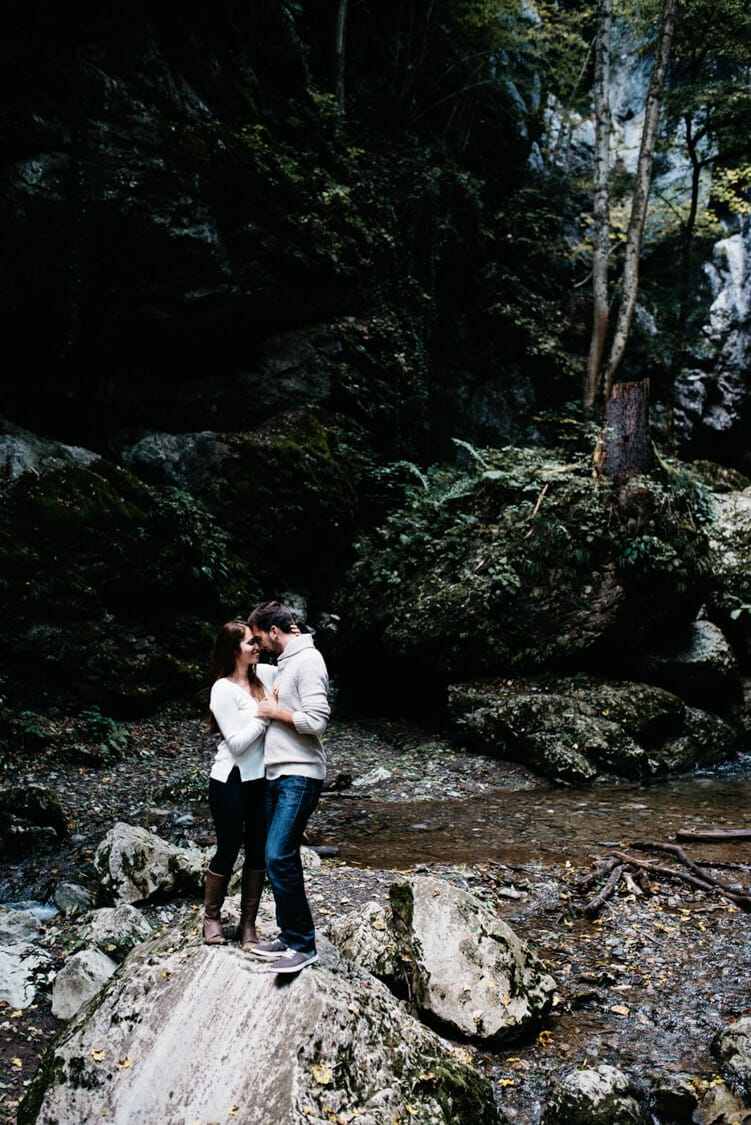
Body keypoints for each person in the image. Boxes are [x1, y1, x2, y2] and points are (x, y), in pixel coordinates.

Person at [246, 600, 330, 974]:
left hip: (301, 773)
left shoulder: (309, 661)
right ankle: (289, 934)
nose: (259, 644)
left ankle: (303, 944)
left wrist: (272, 711)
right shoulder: (286, 664)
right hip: (278, 773)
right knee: (278, 855)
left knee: (278, 855)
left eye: (261, 637)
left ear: (275, 632)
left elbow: (317, 720)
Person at [203, 620, 277, 947]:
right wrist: (264, 716)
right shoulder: (222, 689)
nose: (257, 647)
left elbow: (292, 669)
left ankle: (248, 926)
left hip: (260, 780)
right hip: (229, 779)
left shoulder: (264, 679)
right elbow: (236, 743)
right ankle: (211, 918)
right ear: (234, 650)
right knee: (228, 848)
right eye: (250, 643)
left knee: (258, 851)